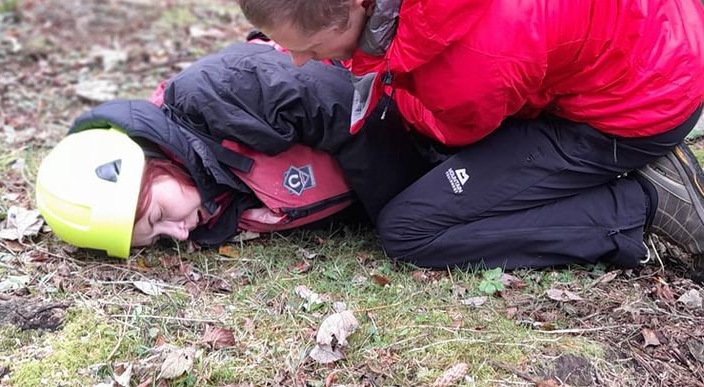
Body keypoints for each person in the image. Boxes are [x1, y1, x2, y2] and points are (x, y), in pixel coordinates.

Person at [236, 0, 704, 289]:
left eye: (311, 47)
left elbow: (447, 130)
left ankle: (644, 202)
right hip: (663, 26)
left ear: (363, 5)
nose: (300, 61)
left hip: (644, 101)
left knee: (413, 226)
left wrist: (376, 87)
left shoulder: (466, 63)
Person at [34, 38, 433, 256]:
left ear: (149, 163)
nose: (180, 234)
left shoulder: (215, 93)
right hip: (423, 153)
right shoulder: (216, 202)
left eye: (158, 214)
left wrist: (404, 206)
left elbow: (354, 106)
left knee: (407, 236)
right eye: (160, 239)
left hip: (426, 105)